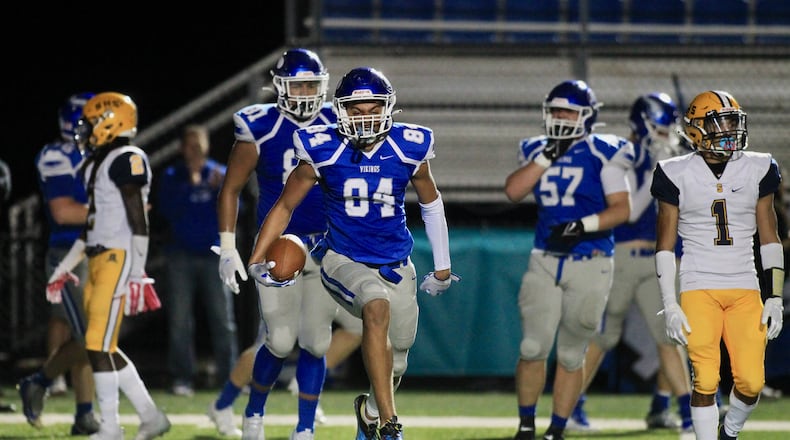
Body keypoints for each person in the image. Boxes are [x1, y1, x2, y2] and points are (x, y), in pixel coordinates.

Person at [245, 66, 459, 440]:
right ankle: (391, 424)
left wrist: (442, 266)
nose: (364, 119)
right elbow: (283, 207)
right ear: (341, 111)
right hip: (342, 259)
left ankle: (371, 413)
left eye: (372, 109)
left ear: (387, 108)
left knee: (400, 356)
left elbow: (431, 203)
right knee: (376, 308)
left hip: (397, 262)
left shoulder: (408, 144)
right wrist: (255, 257)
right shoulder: (323, 146)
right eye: (355, 111)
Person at [212, 48, 364, 440]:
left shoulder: (339, 121)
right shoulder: (259, 124)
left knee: (316, 340)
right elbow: (230, 189)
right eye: (297, 83)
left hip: (325, 244)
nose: (304, 91)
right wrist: (228, 247)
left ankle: (305, 428)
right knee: (278, 340)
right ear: (280, 86)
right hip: (277, 243)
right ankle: (253, 414)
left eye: (312, 83)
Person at [651, 90, 784, 440]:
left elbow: (769, 236)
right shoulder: (674, 172)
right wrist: (670, 303)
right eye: (720, 123)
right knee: (706, 379)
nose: (729, 130)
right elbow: (664, 245)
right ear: (695, 130)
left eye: (732, 122)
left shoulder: (758, 167)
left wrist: (774, 296)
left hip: (745, 285)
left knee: (752, 382)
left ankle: (730, 432)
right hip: (699, 286)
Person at [503, 79, 632, 440]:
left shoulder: (604, 150)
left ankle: (556, 430)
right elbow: (514, 191)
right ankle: (526, 426)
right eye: (556, 110)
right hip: (545, 257)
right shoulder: (534, 148)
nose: (561, 117)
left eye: (569, 111)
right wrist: (548, 154)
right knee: (532, 347)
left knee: (573, 353)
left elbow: (622, 209)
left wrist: (582, 225)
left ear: (587, 116)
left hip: (590, 260)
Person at [47, 91, 170, 440]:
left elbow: (138, 219)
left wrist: (137, 271)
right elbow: (92, 226)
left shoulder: (126, 157)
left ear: (108, 122)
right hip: (100, 257)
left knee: (96, 345)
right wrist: (66, 266)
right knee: (104, 345)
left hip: (118, 258)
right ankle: (150, 417)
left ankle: (111, 427)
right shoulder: (97, 163)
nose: (82, 132)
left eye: (88, 124)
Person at [568, 93, 693, 433]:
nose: (669, 136)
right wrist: (657, 168)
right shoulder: (620, 154)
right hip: (619, 256)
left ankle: (687, 414)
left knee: (671, 335)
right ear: (645, 125)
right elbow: (631, 211)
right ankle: (569, 407)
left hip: (656, 258)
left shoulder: (668, 158)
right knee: (601, 337)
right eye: (662, 129)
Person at [18, 92, 101, 435]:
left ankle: (83, 415)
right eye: (95, 118)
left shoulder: (98, 153)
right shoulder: (56, 155)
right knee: (89, 337)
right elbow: (63, 211)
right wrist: (113, 211)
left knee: (92, 337)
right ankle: (40, 381)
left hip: (101, 249)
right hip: (70, 253)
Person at [156, 124, 238, 396]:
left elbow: (240, 210)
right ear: (182, 148)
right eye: (189, 144)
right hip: (180, 254)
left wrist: (219, 191)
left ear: (207, 146)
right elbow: (165, 210)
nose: (194, 149)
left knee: (222, 319)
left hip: (214, 254)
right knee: (180, 320)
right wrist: (188, 184)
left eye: (198, 144)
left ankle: (230, 378)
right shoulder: (172, 175)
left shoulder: (220, 173)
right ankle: (182, 378)